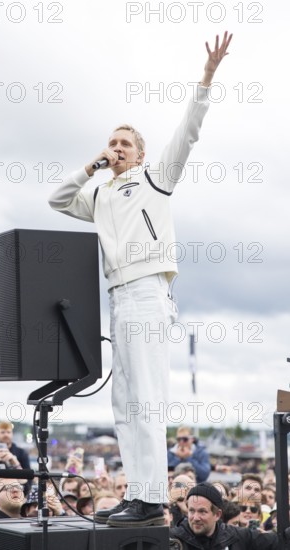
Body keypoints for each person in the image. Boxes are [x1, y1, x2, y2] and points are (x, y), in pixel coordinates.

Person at [48, 32, 233, 527]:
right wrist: (91, 165)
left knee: (148, 398)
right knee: (125, 401)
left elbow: (187, 132)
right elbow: (59, 199)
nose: (116, 148)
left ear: (142, 154)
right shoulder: (101, 194)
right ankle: (139, 492)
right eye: (112, 142)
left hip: (149, 292)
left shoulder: (156, 178)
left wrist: (207, 79)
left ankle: (152, 498)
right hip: (117, 297)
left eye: (125, 143)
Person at [170, 482, 278, 550]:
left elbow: (279, 541)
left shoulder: (236, 536)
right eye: (192, 511)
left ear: (217, 515)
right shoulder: (172, 540)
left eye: (202, 511)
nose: (196, 517)